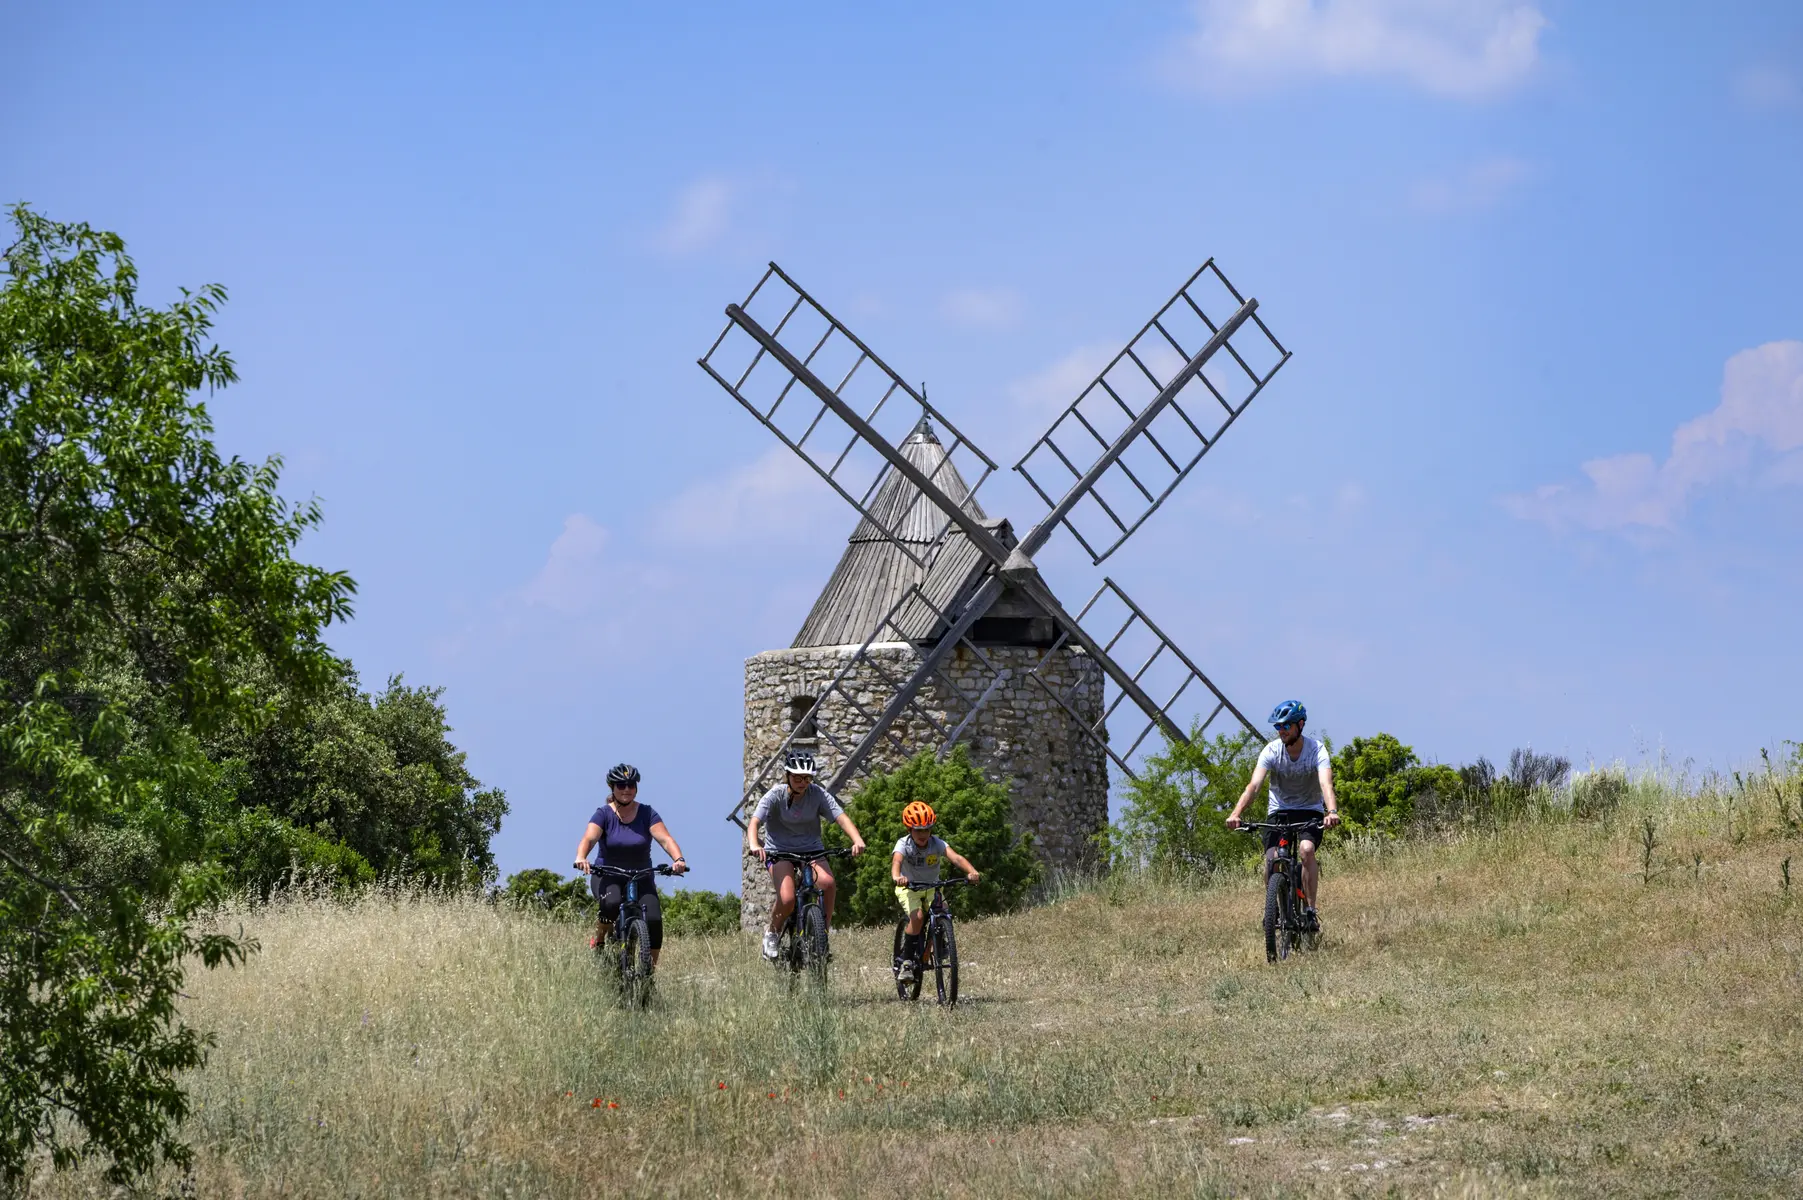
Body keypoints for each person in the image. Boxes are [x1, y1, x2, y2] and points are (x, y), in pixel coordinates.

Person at [1225, 701, 1340, 929]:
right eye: (1278, 726)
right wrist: (1236, 813)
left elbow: (1325, 784)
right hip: (1279, 811)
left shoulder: (1317, 750)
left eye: (1286, 725)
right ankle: (1274, 910)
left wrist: (1332, 811)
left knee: (1306, 851)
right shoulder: (1271, 751)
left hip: (1310, 810)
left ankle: (1310, 911)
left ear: (1300, 724)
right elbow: (1254, 786)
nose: (1282, 731)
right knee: (1272, 860)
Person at [745, 751, 865, 961]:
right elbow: (755, 821)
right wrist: (755, 844)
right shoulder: (775, 795)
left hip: (811, 850)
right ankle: (772, 933)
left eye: (807, 778)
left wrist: (857, 840)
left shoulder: (817, 794)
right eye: (798, 778)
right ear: (787, 776)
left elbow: (840, 817)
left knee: (827, 883)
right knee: (788, 897)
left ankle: (822, 936)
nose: (803, 782)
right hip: (779, 851)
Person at [573, 763, 689, 966]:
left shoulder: (647, 813)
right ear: (612, 788)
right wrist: (581, 857)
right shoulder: (603, 814)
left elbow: (665, 839)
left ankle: (649, 974)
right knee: (610, 904)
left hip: (641, 875)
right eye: (621, 785)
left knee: (653, 919)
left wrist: (678, 859)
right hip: (608, 873)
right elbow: (589, 838)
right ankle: (599, 940)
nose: (626, 789)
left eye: (631, 785)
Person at [890, 800, 979, 983]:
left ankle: (940, 943)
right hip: (910, 888)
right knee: (918, 917)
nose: (923, 834)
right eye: (918, 830)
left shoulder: (936, 843)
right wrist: (897, 876)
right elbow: (897, 861)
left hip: (931, 887)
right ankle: (906, 963)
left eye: (927, 830)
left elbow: (956, 857)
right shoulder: (903, 844)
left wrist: (971, 871)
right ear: (909, 830)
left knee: (943, 910)